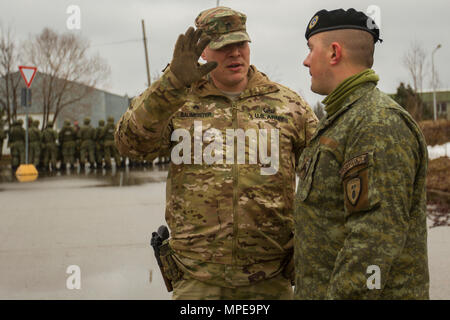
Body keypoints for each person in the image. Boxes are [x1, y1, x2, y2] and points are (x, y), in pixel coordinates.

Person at [115, 6, 318, 300]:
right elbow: (130, 143)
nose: (235, 54)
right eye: (224, 46)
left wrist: (310, 241)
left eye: (241, 44)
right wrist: (171, 83)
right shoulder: (178, 100)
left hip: (270, 278)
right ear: (203, 51)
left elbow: (322, 178)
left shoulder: (287, 104)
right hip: (198, 279)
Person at [294, 8, 429, 299]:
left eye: (310, 49)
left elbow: (374, 244)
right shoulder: (343, 120)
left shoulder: (377, 123)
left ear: (334, 52)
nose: (305, 60)